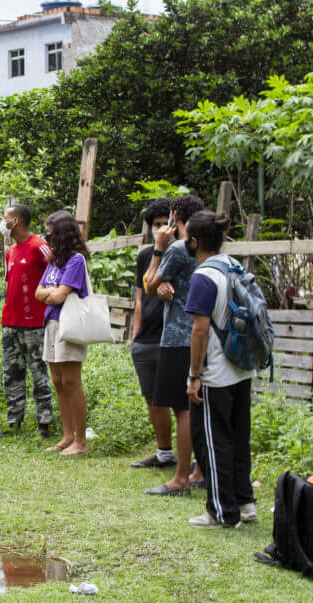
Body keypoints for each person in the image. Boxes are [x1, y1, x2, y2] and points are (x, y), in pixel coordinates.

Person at [183, 211, 257, 528]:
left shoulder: (204, 275)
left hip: (215, 372)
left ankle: (221, 512)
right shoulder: (234, 266)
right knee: (238, 438)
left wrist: (194, 375)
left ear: (195, 241)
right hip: (242, 366)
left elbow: (200, 330)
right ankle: (244, 503)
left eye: (187, 236)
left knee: (212, 442)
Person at [141, 194, 206, 497]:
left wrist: (158, 249)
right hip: (203, 334)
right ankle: (199, 471)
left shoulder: (179, 248)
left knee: (183, 409)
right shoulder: (207, 247)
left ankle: (180, 479)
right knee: (199, 407)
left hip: (179, 336)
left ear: (175, 218)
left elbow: (150, 283)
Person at [0, 204, 53, 439]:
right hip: (10, 321)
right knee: (11, 374)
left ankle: (44, 425)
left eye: (5, 217)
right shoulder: (10, 251)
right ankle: (13, 422)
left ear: (16, 221)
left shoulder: (40, 246)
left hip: (36, 323)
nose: (2, 222)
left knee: (39, 374)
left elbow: (57, 273)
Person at [34, 210, 90, 456]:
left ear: (63, 234)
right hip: (52, 323)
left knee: (71, 382)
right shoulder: (55, 262)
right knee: (58, 382)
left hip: (70, 324)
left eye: (51, 233)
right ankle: (67, 437)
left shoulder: (76, 260)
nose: (48, 238)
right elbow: (39, 293)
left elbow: (56, 295)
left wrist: (52, 292)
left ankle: (81, 441)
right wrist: (52, 292)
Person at [129, 199, 176, 470]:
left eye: (165, 224)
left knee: (179, 401)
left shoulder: (183, 253)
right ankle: (164, 453)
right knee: (152, 397)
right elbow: (139, 299)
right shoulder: (146, 255)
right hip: (146, 337)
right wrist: (135, 336)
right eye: (156, 225)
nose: (162, 229)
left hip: (172, 336)